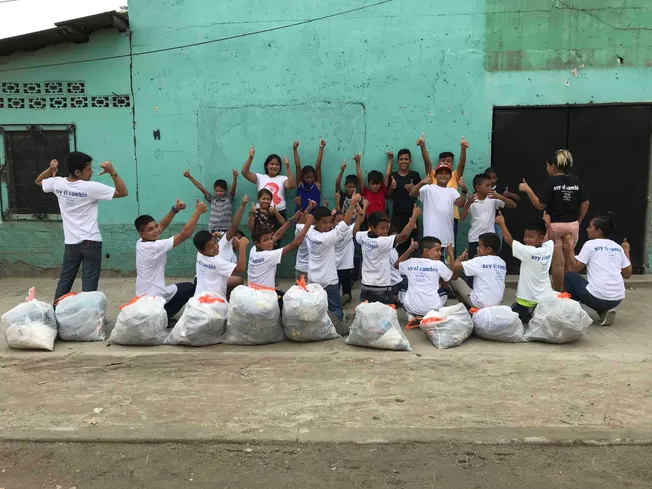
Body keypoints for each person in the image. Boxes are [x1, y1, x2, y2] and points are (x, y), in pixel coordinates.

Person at [35, 153, 128, 302]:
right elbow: (123, 192)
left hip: (71, 244)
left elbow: (39, 181)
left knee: (65, 281)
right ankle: (89, 319)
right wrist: (112, 172)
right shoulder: (91, 187)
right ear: (78, 172)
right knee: (89, 286)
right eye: (89, 169)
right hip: (91, 242)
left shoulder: (58, 183)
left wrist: (50, 169)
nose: (92, 172)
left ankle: (56, 314)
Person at [519, 149, 589, 292]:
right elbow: (585, 203)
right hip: (572, 226)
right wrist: (578, 221)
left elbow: (540, 205)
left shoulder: (550, 182)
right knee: (569, 262)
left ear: (553, 166)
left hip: (554, 226)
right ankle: (568, 293)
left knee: (557, 264)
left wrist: (527, 189)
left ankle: (558, 294)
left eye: (547, 166)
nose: (546, 169)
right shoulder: (576, 181)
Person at [134, 198, 208, 320]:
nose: (155, 230)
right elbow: (185, 234)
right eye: (150, 229)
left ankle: (161, 314)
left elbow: (162, 225)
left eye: (155, 226)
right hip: (154, 298)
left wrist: (175, 210)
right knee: (190, 289)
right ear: (141, 234)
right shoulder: (154, 247)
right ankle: (163, 317)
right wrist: (198, 211)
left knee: (186, 287)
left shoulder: (141, 242)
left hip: (144, 296)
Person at [563, 214, 632, 326]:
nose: (587, 229)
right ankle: (603, 311)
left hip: (597, 298)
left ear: (598, 232)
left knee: (570, 276)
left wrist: (570, 246)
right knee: (593, 288)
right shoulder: (617, 247)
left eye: (590, 227)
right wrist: (626, 251)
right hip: (617, 299)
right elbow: (628, 274)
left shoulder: (590, 244)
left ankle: (573, 312)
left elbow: (575, 268)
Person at [305, 195, 361, 321]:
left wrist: (308, 212)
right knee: (337, 311)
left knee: (315, 309)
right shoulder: (327, 238)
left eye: (330, 222)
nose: (328, 225)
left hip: (313, 280)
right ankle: (328, 325)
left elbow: (301, 223)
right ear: (316, 222)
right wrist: (352, 203)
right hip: (329, 282)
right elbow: (345, 224)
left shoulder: (309, 232)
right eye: (324, 222)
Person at [495, 211, 554, 323]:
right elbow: (552, 240)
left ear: (541, 238)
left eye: (531, 237)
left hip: (525, 302)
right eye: (525, 236)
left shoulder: (528, 251)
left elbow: (508, 240)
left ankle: (528, 315)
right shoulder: (547, 249)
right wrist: (548, 225)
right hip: (543, 301)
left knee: (503, 318)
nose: (526, 240)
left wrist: (502, 223)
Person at [355, 205, 422, 304]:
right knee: (385, 317)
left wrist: (360, 215)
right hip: (382, 288)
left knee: (367, 314)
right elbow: (403, 236)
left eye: (387, 227)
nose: (385, 231)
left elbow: (355, 232)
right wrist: (415, 216)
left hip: (365, 286)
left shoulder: (363, 236)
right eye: (382, 228)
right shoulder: (382, 241)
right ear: (372, 228)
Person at [417, 133, 469, 249]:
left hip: (451, 218)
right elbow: (427, 162)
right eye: (442, 161)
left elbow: (462, 164)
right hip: (433, 222)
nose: (445, 163)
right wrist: (422, 146)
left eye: (449, 161)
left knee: (449, 248)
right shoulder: (434, 175)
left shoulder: (454, 175)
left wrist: (463, 149)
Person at [409, 165, 467, 258]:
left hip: (447, 239)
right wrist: (421, 183)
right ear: (435, 176)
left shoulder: (452, 191)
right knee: (431, 268)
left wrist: (464, 191)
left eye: (446, 173)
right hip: (430, 239)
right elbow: (412, 194)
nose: (443, 175)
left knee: (447, 269)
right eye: (440, 173)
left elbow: (460, 204)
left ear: (450, 177)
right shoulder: (428, 188)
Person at [394, 238, 455, 320]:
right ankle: (432, 316)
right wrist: (451, 255)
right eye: (437, 250)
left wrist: (410, 249)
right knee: (444, 290)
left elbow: (396, 265)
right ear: (426, 251)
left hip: (412, 308)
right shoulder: (438, 264)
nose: (440, 253)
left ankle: (411, 315)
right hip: (433, 309)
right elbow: (453, 276)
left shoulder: (411, 262)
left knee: (402, 289)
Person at [247, 215, 313, 289]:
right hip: (266, 296)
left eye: (270, 238)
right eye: (266, 240)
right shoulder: (268, 255)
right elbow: (295, 243)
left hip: (252, 293)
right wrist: (308, 223)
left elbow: (276, 235)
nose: (270, 242)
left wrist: (290, 221)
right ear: (257, 243)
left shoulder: (253, 250)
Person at [460, 173, 516, 258]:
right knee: (475, 265)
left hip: (490, 240)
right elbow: (462, 218)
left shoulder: (492, 199)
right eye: (487, 185)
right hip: (475, 239)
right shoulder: (471, 200)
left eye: (490, 185)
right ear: (478, 187)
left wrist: (499, 196)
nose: (490, 188)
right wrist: (468, 203)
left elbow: (513, 205)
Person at [450, 233, 507, 309]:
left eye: (480, 246)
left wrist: (459, 257)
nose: (477, 248)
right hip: (496, 305)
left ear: (488, 249)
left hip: (479, 304)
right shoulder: (502, 263)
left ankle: (469, 310)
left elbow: (455, 266)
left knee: (455, 281)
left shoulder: (479, 260)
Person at [241, 145, 296, 220]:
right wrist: (250, 158)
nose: (274, 166)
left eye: (277, 164)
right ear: (267, 165)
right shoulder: (260, 177)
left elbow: (292, 185)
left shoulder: (283, 178)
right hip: (261, 213)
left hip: (279, 213)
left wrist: (288, 167)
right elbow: (244, 172)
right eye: (271, 164)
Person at [193, 230, 248, 299]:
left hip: (198, 297)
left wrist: (217, 236)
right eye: (211, 247)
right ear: (202, 251)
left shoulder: (200, 255)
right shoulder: (217, 263)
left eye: (215, 242)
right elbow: (241, 268)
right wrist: (242, 248)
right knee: (238, 279)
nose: (216, 247)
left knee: (237, 279)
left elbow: (210, 242)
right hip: (214, 301)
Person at [386, 149, 421, 255]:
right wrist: (392, 188)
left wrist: (413, 189)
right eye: (401, 159)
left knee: (412, 245)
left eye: (406, 159)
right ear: (398, 161)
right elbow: (387, 195)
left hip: (411, 216)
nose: (403, 161)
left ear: (410, 161)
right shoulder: (393, 176)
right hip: (396, 216)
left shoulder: (415, 175)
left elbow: (420, 194)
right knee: (396, 245)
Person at [183, 168, 238, 234]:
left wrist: (235, 178)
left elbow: (233, 188)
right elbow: (200, 187)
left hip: (226, 231)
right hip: (212, 230)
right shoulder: (212, 199)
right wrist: (189, 176)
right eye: (216, 191)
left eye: (221, 191)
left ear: (225, 191)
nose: (218, 193)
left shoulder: (228, 198)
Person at [335, 200, 367, 306]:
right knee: (336, 285)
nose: (339, 223)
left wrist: (360, 210)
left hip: (345, 265)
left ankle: (346, 297)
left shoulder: (348, 230)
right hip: (333, 266)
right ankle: (338, 299)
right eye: (337, 221)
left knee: (346, 285)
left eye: (342, 220)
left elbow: (360, 221)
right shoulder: (331, 233)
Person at [484, 167, 520, 250]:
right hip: (486, 221)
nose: (492, 180)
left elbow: (517, 199)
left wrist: (508, 194)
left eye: (494, 178)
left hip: (498, 220)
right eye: (490, 178)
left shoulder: (501, 188)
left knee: (498, 243)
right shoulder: (483, 190)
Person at [213, 195, 250, 267]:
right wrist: (243, 205)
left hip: (221, 277)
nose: (239, 242)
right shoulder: (225, 242)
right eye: (238, 239)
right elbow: (234, 225)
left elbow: (238, 270)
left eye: (241, 240)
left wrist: (242, 248)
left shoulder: (234, 258)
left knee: (238, 278)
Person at [293, 139, 324, 212]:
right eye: (307, 177)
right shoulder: (300, 184)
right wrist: (295, 149)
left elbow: (318, 166)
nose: (310, 179)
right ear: (303, 177)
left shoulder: (317, 184)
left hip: (314, 217)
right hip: (300, 216)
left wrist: (321, 148)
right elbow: (297, 166)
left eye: (312, 177)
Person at [294, 199, 318, 280]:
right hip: (312, 269)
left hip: (300, 267)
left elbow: (300, 223)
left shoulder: (299, 229)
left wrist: (307, 209)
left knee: (299, 291)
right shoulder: (316, 231)